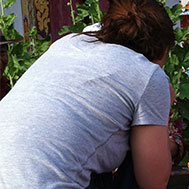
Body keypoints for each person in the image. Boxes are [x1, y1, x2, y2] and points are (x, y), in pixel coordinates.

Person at [0, 0, 175, 188]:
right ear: (162, 50)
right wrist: (163, 113)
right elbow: (153, 182)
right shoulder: (148, 75)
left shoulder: (69, 43)